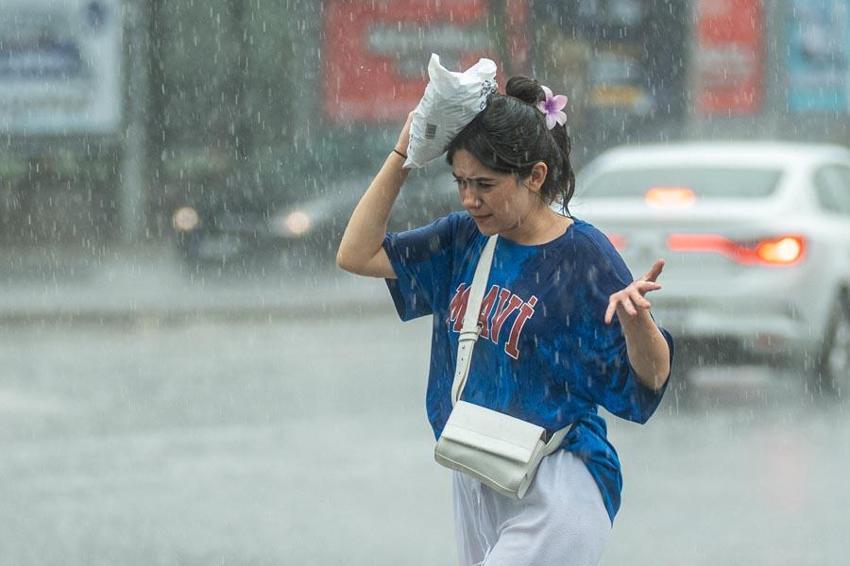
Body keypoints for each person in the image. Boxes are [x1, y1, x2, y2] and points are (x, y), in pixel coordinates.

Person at [336, 76, 673, 566]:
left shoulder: (582, 255)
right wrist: (401, 156)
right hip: (475, 466)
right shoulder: (465, 239)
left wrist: (638, 323)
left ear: (535, 176)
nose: (470, 199)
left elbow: (652, 378)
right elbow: (356, 253)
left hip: (558, 481)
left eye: (485, 185)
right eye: (462, 182)